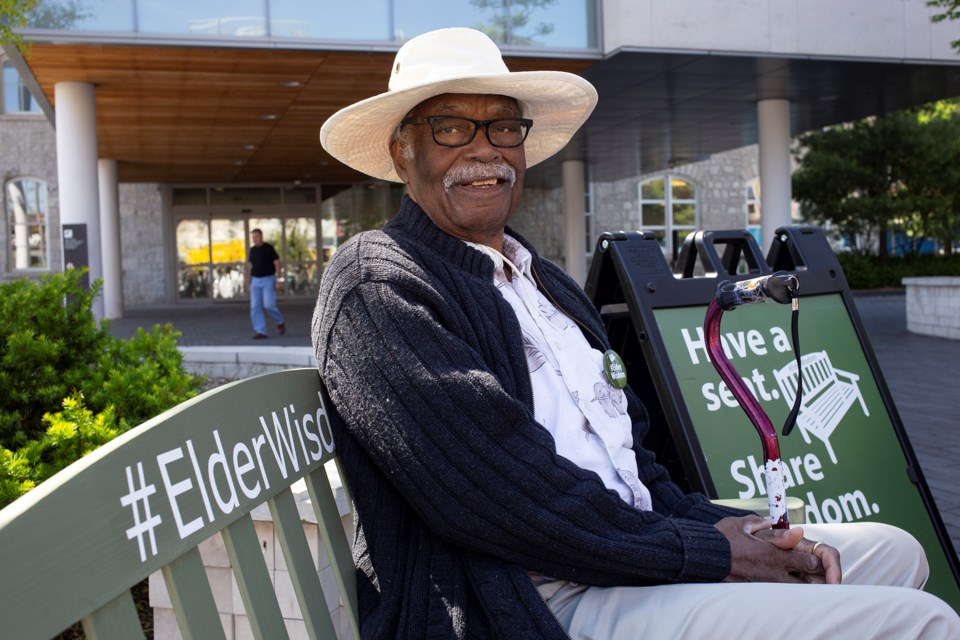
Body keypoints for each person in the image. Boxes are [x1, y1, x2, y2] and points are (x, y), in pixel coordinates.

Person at [311, 27, 960, 639]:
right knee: (919, 624)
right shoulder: (379, 285)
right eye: (450, 127)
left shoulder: (547, 285)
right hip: (527, 596)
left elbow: (636, 468)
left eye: (504, 126)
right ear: (403, 153)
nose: (485, 149)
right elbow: (496, 494)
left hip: (630, 553)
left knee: (893, 554)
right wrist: (710, 551)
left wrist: (726, 527)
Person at [245, 228, 286, 339]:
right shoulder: (252, 250)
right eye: (253, 237)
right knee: (255, 307)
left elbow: (277, 264)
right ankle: (261, 331)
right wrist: (248, 279)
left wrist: (279, 280)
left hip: (268, 279)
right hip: (255, 281)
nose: (255, 239)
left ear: (261, 237)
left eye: (256, 237)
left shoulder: (269, 248)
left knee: (269, 305)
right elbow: (250, 266)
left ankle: (280, 321)